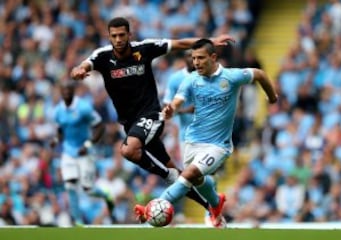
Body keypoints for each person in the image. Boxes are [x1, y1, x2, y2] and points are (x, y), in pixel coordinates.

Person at [70, 17, 234, 223]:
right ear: (109, 37)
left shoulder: (145, 49)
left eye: (122, 35)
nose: (119, 39)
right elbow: (86, 64)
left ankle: (167, 177)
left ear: (129, 35)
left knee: (129, 150)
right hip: (131, 124)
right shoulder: (103, 56)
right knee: (177, 174)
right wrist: (79, 70)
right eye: (114, 36)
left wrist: (210, 40)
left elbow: (179, 44)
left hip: (150, 115)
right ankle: (212, 206)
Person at [134, 39, 278, 228]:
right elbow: (177, 101)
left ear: (213, 57)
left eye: (201, 58)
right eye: (194, 58)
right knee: (199, 180)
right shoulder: (191, 80)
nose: (196, 62)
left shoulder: (231, 77)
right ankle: (216, 203)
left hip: (219, 145)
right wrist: (172, 110)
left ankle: (156, 206)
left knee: (190, 173)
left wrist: (272, 96)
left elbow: (259, 74)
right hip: (192, 142)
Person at [51, 80, 114, 226]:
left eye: (69, 90)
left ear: (73, 92)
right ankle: (78, 221)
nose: (66, 93)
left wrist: (88, 144)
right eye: (64, 90)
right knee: (69, 186)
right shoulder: (58, 111)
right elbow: (61, 129)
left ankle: (106, 195)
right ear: (61, 92)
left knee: (88, 189)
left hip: (84, 152)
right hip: (68, 152)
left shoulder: (84, 107)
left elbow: (100, 126)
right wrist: (56, 139)